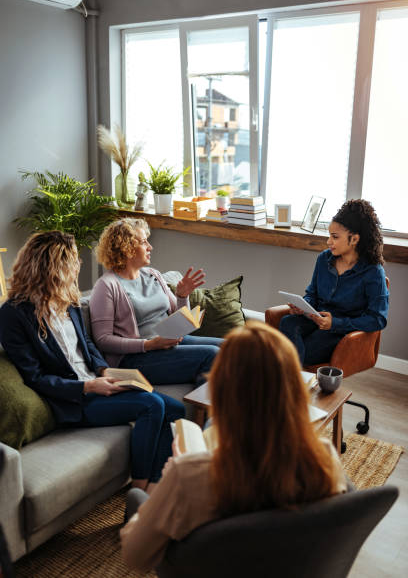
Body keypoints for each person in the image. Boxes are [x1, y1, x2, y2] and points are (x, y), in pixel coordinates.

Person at [120, 321, 347, 572]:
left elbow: (135, 557)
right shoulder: (324, 456)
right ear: (294, 390)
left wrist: (166, 483)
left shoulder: (189, 475)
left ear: (221, 391)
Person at [0, 231, 184, 491]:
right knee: (152, 405)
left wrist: (103, 369)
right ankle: (142, 489)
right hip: (73, 400)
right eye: (74, 260)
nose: (79, 265)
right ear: (56, 266)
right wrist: (88, 387)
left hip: (97, 379)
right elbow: (35, 377)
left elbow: (86, 344)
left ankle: (155, 486)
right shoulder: (14, 314)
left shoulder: (68, 298)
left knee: (177, 410)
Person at [89, 218, 222, 386]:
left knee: (228, 347)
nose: (150, 247)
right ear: (127, 248)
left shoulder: (153, 274)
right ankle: (205, 409)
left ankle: (212, 402)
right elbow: (103, 339)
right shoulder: (106, 286)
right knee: (212, 354)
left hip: (166, 344)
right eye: (144, 242)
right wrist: (149, 344)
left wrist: (182, 296)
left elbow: (181, 320)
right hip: (135, 358)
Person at [279, 199, 389, 365]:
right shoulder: (324, 259)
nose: (328, 241)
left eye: (335, 237)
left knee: (295, 352)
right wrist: (303, 306)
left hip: (340, 332)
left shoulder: (373, 272)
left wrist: (335, 323)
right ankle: (295, 382)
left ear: (354, 239)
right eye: (329, 235)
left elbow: (378, 319)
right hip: (315, 320)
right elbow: (312, 294)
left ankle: (291, 383)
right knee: (287, 322)